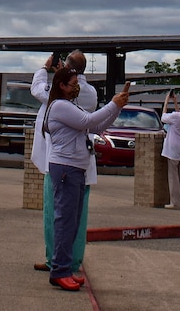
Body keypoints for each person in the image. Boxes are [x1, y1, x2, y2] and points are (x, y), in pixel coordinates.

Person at [44, 66, 128, 290]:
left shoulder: (70, 106)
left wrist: (117, 108)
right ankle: (60, 270)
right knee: (65, 220)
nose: (76, 88)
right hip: (65, 167)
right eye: (72, 84)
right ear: (61, 85)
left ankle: (65, 268)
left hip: (75, 168)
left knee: (73, 221)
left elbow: (97, 126)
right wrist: (113, 103)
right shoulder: (60, 106)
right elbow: (87, 122)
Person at [30, 52, 97, 272]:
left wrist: (46, 67)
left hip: (60, 163)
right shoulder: (92, 94)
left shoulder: (59, 94)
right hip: (82, 162)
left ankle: (56, 260)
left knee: (55, 214)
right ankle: (73, 261)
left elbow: (37, 88)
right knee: (77, 217)